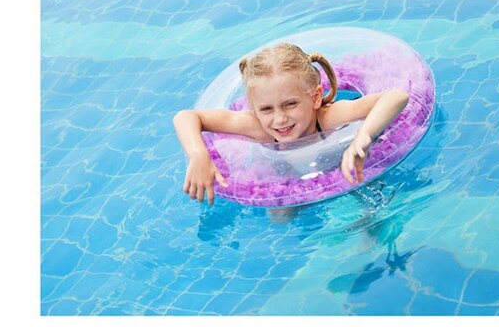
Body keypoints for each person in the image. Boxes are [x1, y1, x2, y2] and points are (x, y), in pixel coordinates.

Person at [174, 43, 410, 205]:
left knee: (366, 207)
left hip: (340, 168)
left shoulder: (330, 117)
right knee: (280, 215)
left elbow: (396, 96)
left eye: (290, 104)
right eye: (266, 108)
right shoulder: (256, 125)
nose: (279, 119)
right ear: (254, 107)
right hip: (286, 174)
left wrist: (364, 136)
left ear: (315, 97)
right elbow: (186, 116)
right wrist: (198, 154)